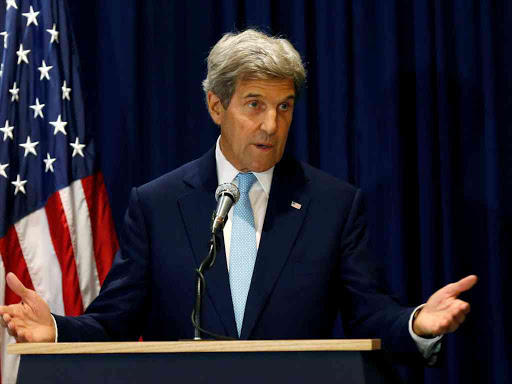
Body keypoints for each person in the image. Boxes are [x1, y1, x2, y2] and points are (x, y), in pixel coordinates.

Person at [0, 29, 476, 364]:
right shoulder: (158, 203)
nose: (271, 125)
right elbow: (114, 322)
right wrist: (57, 330)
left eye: (284, 107)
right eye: (255, 105)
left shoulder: (333, 205)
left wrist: (416, 323)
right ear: (216, 106)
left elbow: (369, 313)